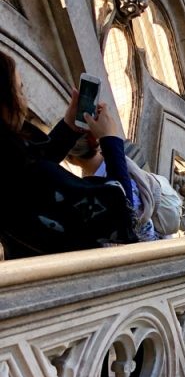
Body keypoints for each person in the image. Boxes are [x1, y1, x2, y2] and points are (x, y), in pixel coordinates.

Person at [0, 53, 135, 257]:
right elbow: (123, 212)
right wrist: (110, 140)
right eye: (19, 90)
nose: (24, 102)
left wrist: (68, 128)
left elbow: (27, 166)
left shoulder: (9, 166)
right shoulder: (34, 175)